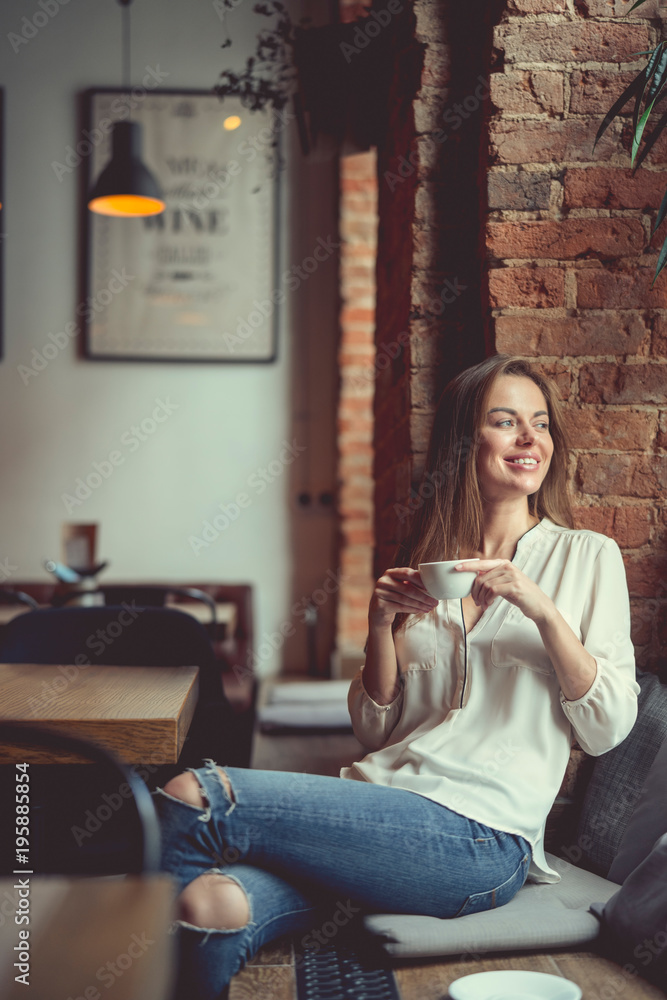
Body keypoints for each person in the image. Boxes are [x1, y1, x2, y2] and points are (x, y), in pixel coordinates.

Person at [154, 354, 639, 999]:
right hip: (384, 807)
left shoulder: (587, 557)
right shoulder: (428, 567)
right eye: (506, 422)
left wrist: (541, 607)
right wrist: (380, 624)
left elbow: (608, 728)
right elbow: (375, 727)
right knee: (210, 904)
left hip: (481, 837)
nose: (530, 440)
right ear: (466, 440)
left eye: (541, 423)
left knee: (195, 791)